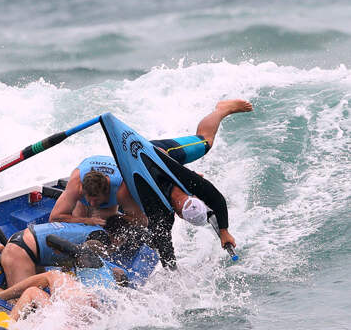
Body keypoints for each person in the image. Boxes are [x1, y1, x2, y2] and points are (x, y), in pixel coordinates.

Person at [50, 99, 253, 268]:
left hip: (149, 161)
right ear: (182, 209)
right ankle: (222, 109)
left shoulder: (191, 183)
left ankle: (222, 109)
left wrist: (224, 231)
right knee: (205, 140)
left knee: (205, 142)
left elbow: (216, 198)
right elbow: (165, 248)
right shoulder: (159, 210)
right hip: (162, 153)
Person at [0, 214, 136, 287]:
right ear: (118, 237)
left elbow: (69, 259)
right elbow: (81, 257)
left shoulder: (92, 227)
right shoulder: (100, 242)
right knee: (20, 302)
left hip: (25, 243)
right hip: (22, 252)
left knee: (42, 286)